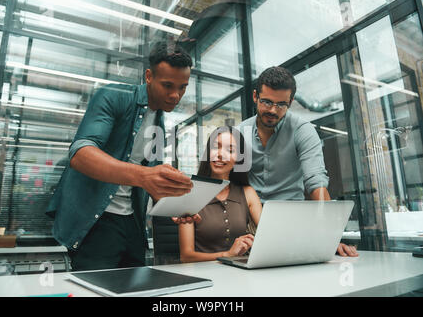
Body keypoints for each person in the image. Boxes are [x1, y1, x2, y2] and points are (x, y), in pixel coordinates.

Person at [46, 42, 199, 271]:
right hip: (97, 221)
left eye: (182, 87)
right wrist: (144, 176)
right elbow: (80, 154)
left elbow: (151, 183)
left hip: (132, 224)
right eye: (167, 85)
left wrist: (177, 207)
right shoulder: (113, 95)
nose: (175, 95)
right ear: (149, 76)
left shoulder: (160, 121)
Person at [238, 66, 358, 257]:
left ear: (291, 102)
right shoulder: (241, 132)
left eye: (281, 105)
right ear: (255, 96)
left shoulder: (302, 130)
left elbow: (315, 181)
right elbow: (232, 183)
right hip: (249, 222)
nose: (272, 110)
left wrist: (330, 237)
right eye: (266, 102)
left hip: (291, 218)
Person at [178, 127, 263, 263]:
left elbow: (269, 236)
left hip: (240, 274)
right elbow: (186, 256)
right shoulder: (189, 192)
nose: (220, 155)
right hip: (203, 275)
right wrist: (228, 254)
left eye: (230, 150)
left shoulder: (248, 193)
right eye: (215, 147)